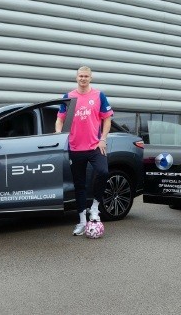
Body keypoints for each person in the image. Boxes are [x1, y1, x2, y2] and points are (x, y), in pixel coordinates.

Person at [55, 66, 113, 236]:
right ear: (76, 77)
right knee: (79, 185)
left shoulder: (99, 95)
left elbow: (107, 119)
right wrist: (59, 135)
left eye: (86, 76)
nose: (83, 78)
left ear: (90, 78)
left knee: (103, 172)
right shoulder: (68, 97)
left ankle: (95, 207)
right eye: (81, 76)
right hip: (75, 148)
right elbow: (60, 119)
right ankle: (81, 222)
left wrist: (103, 139)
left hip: (95, 146)